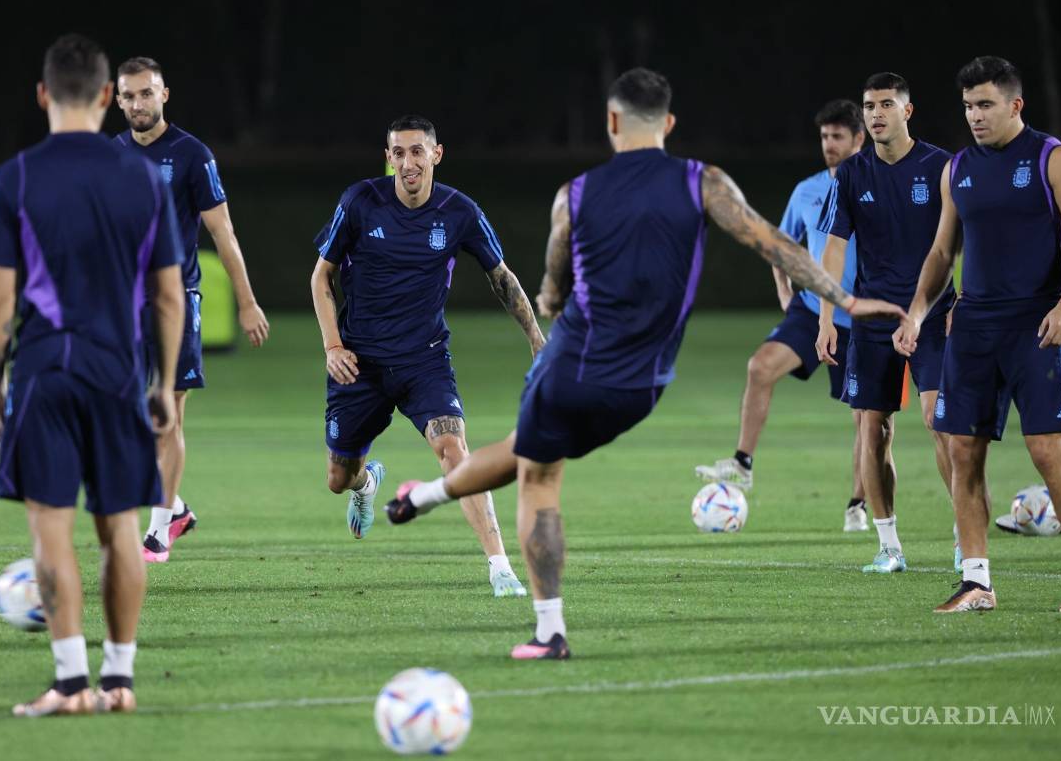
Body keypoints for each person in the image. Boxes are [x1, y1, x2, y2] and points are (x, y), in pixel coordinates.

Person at [385, 68, 905, 659]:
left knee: (537, 473)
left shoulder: (573, 195)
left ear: (610, 122)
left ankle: (549, 631)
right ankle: (423, 496)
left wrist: (553, 300)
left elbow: (552, 287)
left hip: (573, 366)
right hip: (645, 387)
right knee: (522, 449)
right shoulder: (705, 183)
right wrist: (848, 300)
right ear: (670, 124)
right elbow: (773, 244)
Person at [0, 34, 185, 715]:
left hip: (43, 372)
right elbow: (168, 296)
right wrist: (161, 383)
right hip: (118, 371)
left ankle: (69, 684)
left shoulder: (13, 178)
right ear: (105, 97)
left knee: (51, 529)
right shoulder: (142, 179)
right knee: (120, 527)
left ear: (43, 96)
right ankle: (119, 681)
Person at [311, 114, 544, 598]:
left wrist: (538, 341)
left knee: (455, 451)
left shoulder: (459, 211)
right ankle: (365, 486)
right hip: (361, 362)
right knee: (338, 478)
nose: (407, 162)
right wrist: (333, 345)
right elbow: (320, 278)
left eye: (417, 151)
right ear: (388, 157)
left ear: (436, 154)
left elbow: (502, 278)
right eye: (398, 152)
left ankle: (500, 567)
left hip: (424, 361)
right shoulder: (360, 202)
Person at [895, 56, 1061, 613]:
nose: (975, 116)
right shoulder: (958, 168)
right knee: (962, 450)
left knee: (1048, 452)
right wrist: (917, 310)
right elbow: (941, 251)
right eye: (968, 107)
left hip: (1036, 325)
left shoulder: (1053, 158)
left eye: (985, 105)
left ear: (1014, 104)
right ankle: (976, 581)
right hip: (973, 327)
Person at [114, 57, 270, 563]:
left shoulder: (190, 154)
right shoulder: (111, 155)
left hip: (176, 300)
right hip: (122, 305)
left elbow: (223, 233)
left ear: (164, 95)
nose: (138, 103)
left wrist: (246, 303)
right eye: (129, 96)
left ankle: (158, 531)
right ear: (117, 101)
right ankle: (176, 506)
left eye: (146, 93)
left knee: (166, 415)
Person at [695, 99, 868, 532]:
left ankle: (859, 504)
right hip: (812, 310)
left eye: (838, 137)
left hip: (863, 319)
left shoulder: (876, 187)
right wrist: (785, 291)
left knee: (868, 419)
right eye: (824, 137)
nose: (829, 144)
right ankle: (743, 462)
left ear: (859, 139)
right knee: (760, 367)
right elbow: (781, 246)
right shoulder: (807, 190)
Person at [814, 72, 957, 574]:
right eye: (869, 105)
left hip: (935, 312)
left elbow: (962, 240)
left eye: (886, 104)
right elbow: (833, 246)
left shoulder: (940, 166)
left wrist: (965, 299)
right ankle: (888, 546)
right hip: (874, 319)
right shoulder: (852, 173)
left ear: (907, 111)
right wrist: (828, 317)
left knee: (941, 420)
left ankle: (966, 536)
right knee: (872, 430)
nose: (875, 114)